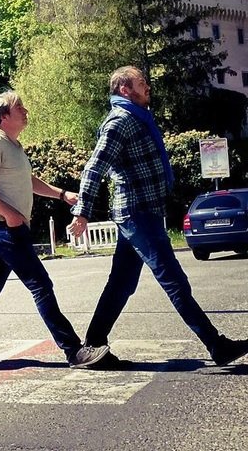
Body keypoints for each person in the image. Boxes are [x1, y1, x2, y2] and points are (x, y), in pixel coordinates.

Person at [69, 66, 248, 368]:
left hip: (142, 212)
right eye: (142, 83)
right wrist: (82, 212)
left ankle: (92, 344)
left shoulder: (138, 118)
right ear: (125, 89)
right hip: (137, 214)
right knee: (174, 281)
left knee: (121, 284)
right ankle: (216, 346)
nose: (148, 87)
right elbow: (94, 168)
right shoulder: (120, 122)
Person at [0, 91, 109, 368]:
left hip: (7, 227)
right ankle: (74, 351)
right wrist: (10, 216)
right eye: (19, 107)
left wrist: (61, 194)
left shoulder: (14, 145)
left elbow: (28, 180)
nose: (25, 110)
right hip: (4, 227)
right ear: (4, 116)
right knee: (41, 285)